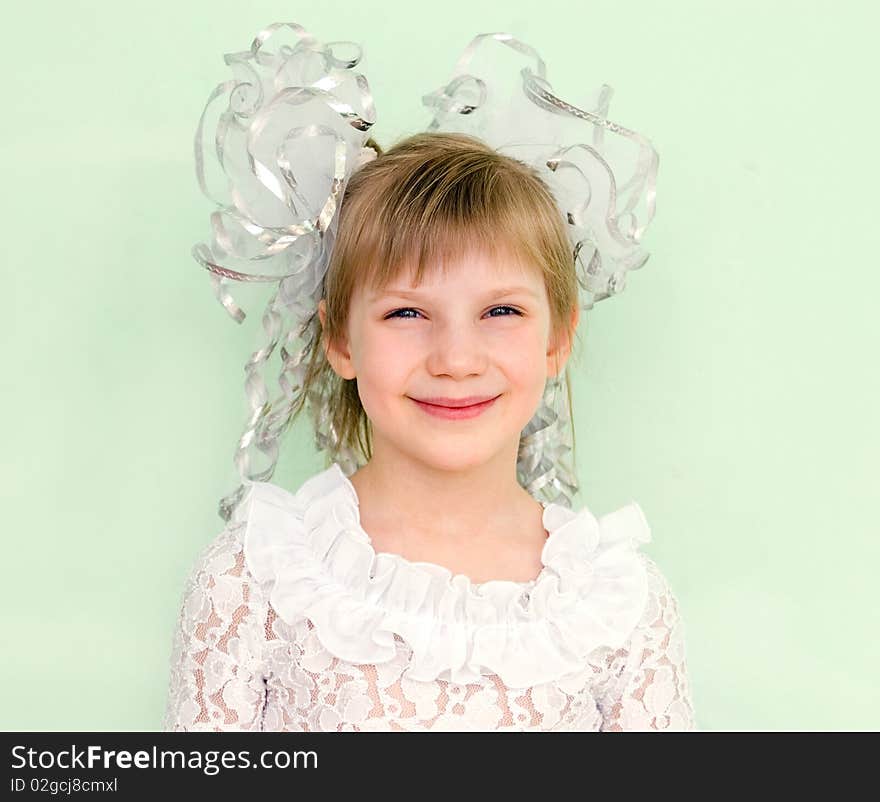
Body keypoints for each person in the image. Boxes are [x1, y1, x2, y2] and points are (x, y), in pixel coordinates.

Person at [161, 23, 696, 731]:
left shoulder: (619, 607)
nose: (455, 357)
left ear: (556, 340)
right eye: (408, 312)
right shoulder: (252, 583)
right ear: (339, 340)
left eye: (500, 310)